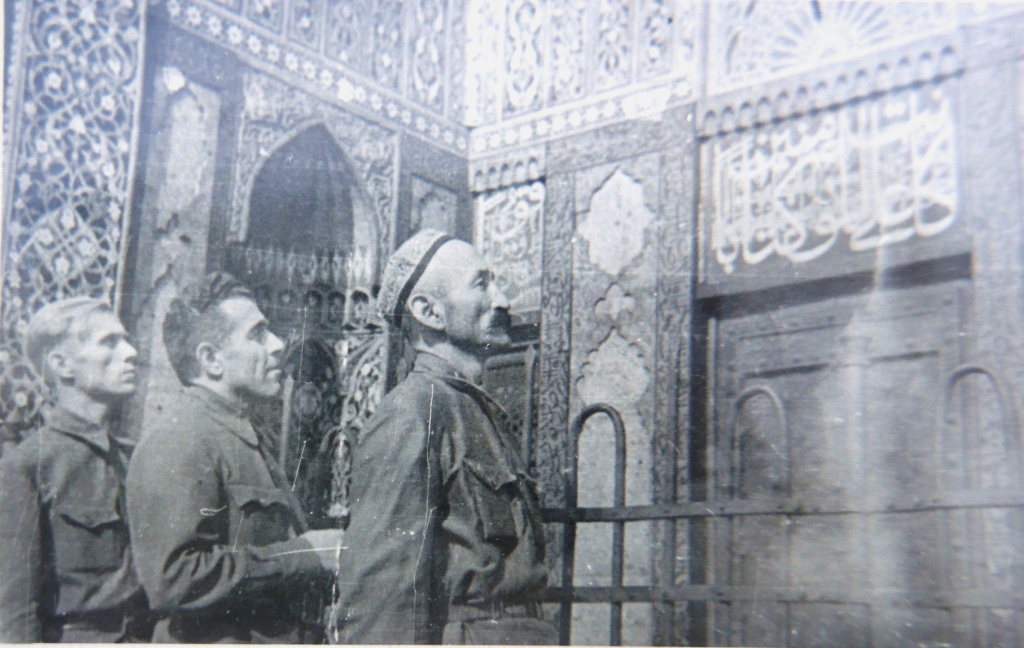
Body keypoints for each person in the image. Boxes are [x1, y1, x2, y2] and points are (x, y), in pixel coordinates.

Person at [331, 230, 553, 644]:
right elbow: (383, 590)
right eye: (481, 284)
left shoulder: (476, 408)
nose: (503, 301)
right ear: (428, 311)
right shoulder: (412, 411)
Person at [125, 272, 342, 643]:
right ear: (211, 359)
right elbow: (173, 579)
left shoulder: (237, 433)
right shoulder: (179, 439)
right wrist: (303, 555)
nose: (278, 345)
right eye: (257, 335)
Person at [0, 297, 152, 642]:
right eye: (109, 342)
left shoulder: (133, 458)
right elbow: (13, 614)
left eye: (127, 340)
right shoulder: (27, 467)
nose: (131, 353)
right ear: (62, 364)